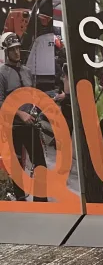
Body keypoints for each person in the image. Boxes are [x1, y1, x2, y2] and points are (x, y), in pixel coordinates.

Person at [0, 32, 47, 202]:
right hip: (13, 127)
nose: (17, 52)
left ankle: (41, 200)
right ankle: (20, 199)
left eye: (18, 49)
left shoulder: (27, 72)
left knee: (40, 162)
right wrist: (20, 113)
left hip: (30, 124)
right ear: (6, 51)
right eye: (13, 50)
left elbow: (32, 95)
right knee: (16, 165)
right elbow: (1, 102)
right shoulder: (2, 74)